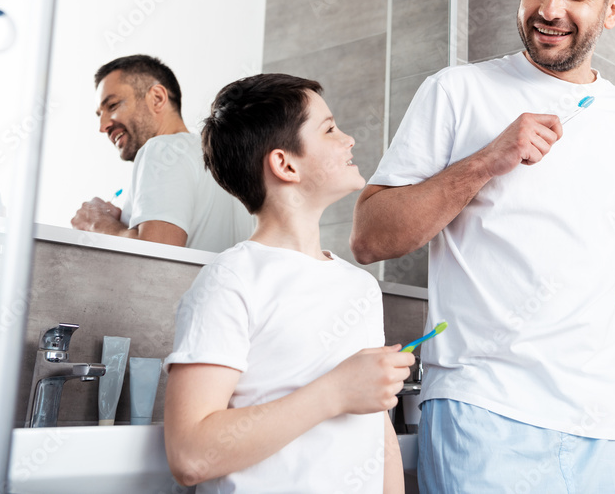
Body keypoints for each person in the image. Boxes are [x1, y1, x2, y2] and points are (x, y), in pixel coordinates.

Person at [351, 0, 615, 493]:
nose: (549, 9)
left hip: (601, 427)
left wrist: (594, 389)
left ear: (613, 9)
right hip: (483, 412)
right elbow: (371, 236)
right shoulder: (456, 92)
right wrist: (485, 162)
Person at [163, 73, 414, 492]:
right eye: (330, 129)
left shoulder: (360, 288)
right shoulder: (232, 280)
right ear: (285, 164)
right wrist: (334, 392)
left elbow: (375, 429)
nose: (349, 139)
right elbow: (190, 454)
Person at [70, 54, 253, 252]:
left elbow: (156, 256)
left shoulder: (162, 149)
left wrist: (97, 222)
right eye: (100, 114)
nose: (103, 125)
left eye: (112, 105)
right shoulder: (226, 161)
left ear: (157, 98)